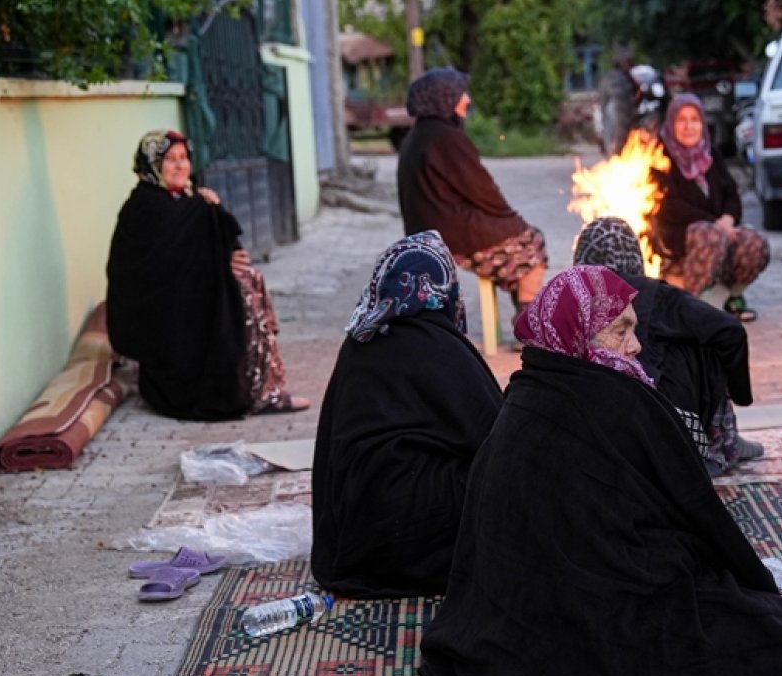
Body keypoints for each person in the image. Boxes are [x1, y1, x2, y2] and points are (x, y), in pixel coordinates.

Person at [418, 265, 782, 676]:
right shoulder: (614, 398)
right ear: (578, 335)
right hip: (597, 613)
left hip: (516, 618)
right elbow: (697, 512)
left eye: (634, 328)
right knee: (781, 634)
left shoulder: (529, 386)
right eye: (620, 330)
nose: (636, 346)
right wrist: (757, 588)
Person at [310, 231, 504, 597]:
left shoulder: (360, 339)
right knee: (501, 482)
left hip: (352, 539)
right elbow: (496, 439)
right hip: (407, 535)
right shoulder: (439, 345)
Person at [106, 130, 308, 421]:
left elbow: (201, 242)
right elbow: (160, 272)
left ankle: (262, 388)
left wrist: (208, 212)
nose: (180, 166)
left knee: (246, 280)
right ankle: (254, 393)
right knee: (237, 295)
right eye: (170, 160)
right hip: (164, 319)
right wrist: (219, 263)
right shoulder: (145, 208)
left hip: (187, 300)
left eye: (184, 158)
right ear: (151, 166)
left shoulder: (181, 199)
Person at [572, 217, 762, 476]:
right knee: (704, 337)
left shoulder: (567, 298)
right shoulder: (654, 294)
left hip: (586, 425)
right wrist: (742, 396)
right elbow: (730, 331)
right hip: (656, 420)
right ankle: (722, 440)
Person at [397, 66, 548, 324]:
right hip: (452, 235)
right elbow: (482, 190)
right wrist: (511, 219)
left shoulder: (418, 136)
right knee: (532, 244)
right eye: (461, 93)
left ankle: (527, 320)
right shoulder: (445, 138)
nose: (467, 99)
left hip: (428, 230)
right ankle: (529, 328)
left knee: (517, 240)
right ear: (443, 98)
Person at [650, 93, 771, 320]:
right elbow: (670, 205)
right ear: (671, 123)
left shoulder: (711, 155)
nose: (689, 127)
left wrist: (727, 219)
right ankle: (696, 309)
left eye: (694, 120)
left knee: (754, 243)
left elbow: (731, 195)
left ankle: (727, 299)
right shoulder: (661, 157)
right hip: (678, 240)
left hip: (718, 233)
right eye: (681, 120)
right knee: (711, 236)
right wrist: (715, 224)